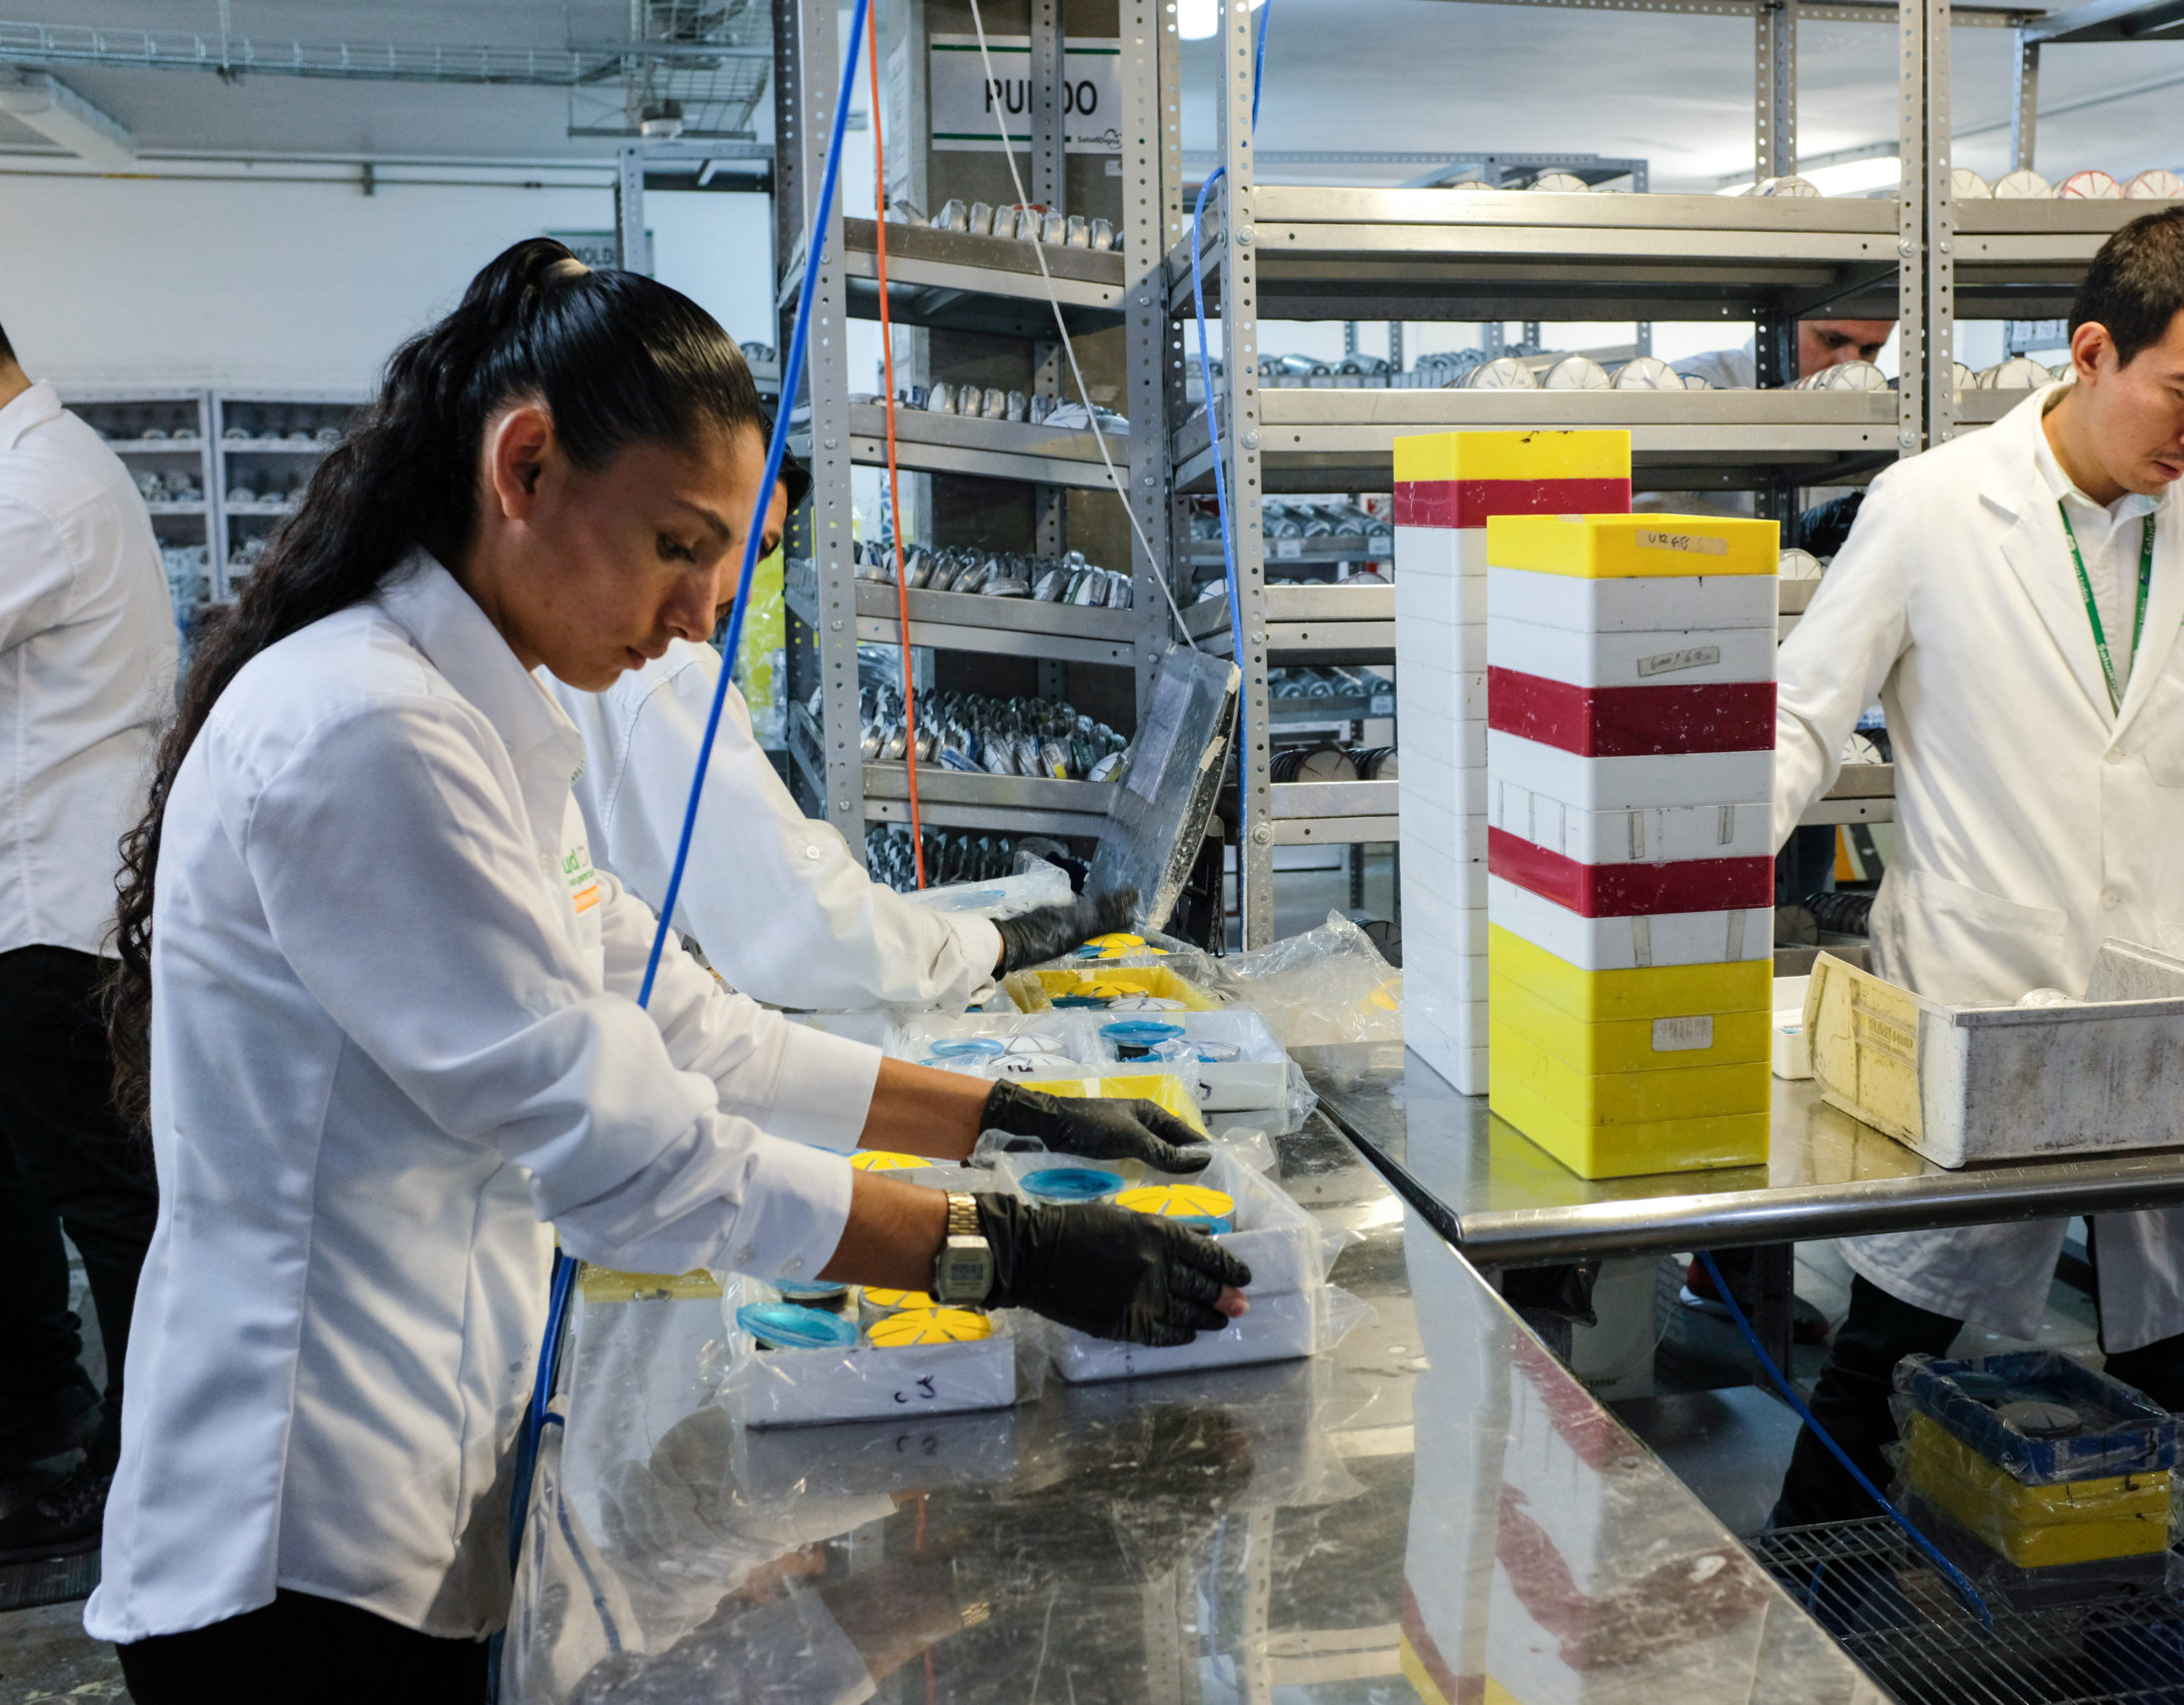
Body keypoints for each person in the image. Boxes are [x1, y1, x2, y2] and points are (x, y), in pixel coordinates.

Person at [85, 239, 1249, 1699]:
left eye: (726, 557)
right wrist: (1001, 1249)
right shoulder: (365, 735)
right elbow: (632, 1156)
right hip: (298, 1550)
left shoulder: (489, 719)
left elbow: (692, 1028)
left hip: (411, 1493)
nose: (705, 609)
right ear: (525, 466)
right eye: (680, 544)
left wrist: (1001, 1112)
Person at [1765, 206, 2184, 1524]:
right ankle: (1818, 1607)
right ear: (2091, 351)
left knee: (2165, 1351)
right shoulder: (1932, 509)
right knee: (1896, 1350)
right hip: (1986, 993)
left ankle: (2138, 1611)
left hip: (2161, 996)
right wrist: (1674, 856)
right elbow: (1803, 713)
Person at [546, 455, 1118, 1036]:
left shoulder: (578, 669)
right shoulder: (663, 673)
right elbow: (792, 915)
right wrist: (998, 942)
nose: (717, 596)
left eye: (760, 552)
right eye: (703, 541)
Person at [0, 321, 179, 1562]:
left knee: (108, 1205)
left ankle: (138, 1466)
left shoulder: (33, 491)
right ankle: (64, 1421)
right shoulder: (59, 470)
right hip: (64, 902)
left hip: (48, 909)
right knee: (56, 1188)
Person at [1673, 317, 1898, 390]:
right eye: (1831, 340)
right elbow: (1642, 500)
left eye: (1870, 349)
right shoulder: (1683, 385)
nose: (1851, 366)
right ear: (1781, 324)